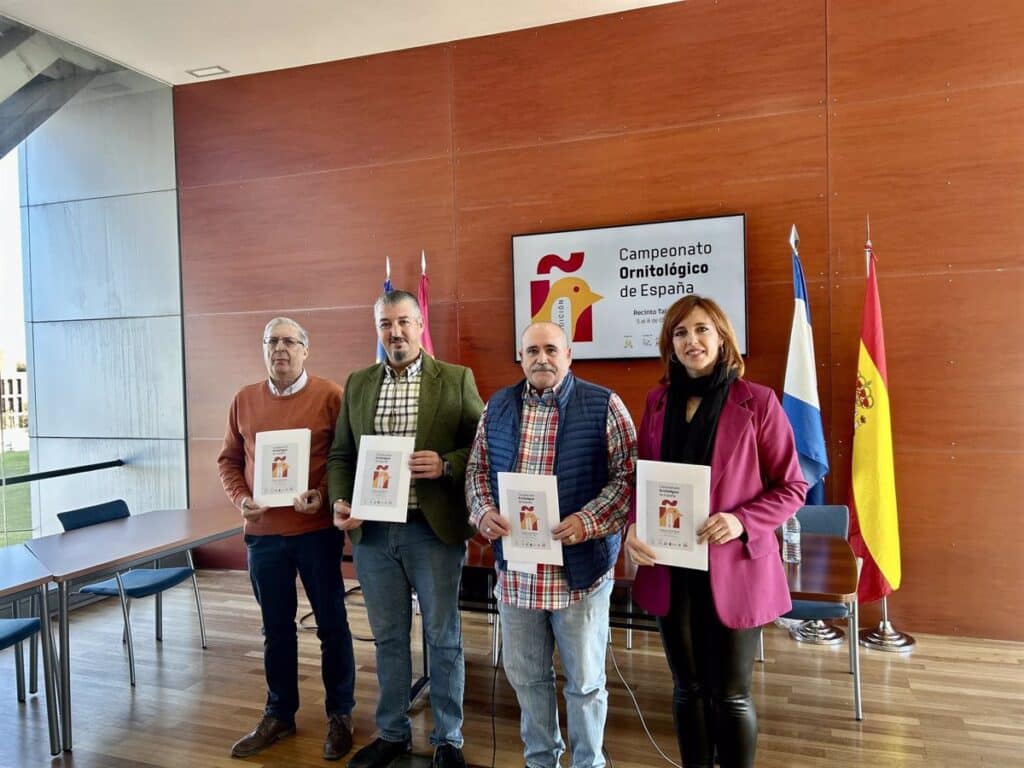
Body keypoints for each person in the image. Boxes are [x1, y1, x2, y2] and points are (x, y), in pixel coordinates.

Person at [624, 296, 807, 768]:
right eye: (680, 334)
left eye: (702, 330)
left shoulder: (758, 401)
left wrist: (741, 520)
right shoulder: (657, 401)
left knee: (730, 695)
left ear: (723, 337)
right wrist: (631, 529)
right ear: (670, 345)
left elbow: (792, 487)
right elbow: (641, 479)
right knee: (687, 689)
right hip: (671, 565)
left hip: (734, 568)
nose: (692, 341)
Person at [466, 321, 637, 768]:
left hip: (578, 573)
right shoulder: (498, 406)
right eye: (531, 351)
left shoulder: (604, 405)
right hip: (518, 572)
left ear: (569, 355)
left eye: (551, 349)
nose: (541, 358)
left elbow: (627, 479)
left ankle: (588, 762)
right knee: (526, 678)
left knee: (584, 682)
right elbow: (476, 472)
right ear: (520, 357)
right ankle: (540, 759)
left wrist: (588, 521)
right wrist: (482, 511)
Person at [328, 290, 484, 768]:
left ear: (420, 325)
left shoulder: (455, 379)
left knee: (443, 635)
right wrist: (340, 500)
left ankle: (448, 739)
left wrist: (445, 465)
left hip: (431, 531)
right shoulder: (357, 384)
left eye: (403, 322)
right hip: (373, 534)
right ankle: (392, 732)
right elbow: (341, 455)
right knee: (389, 636)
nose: (394, 332)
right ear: (377, 330)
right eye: (384, 324)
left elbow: (482, 446)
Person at [218, 317, 357, 761]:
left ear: (305, 350)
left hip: (315, 533)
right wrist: (241, 499)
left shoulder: (331, 396)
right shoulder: (243, 400)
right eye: (271, 341)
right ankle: (279, 713)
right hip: (263, 536)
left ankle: (340, 713)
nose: (280, 348)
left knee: (332, 624)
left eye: (289, 341)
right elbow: (229, 461)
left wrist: (327, 496)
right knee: (275, 630)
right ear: (264, 349)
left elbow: (347, 458)